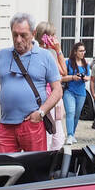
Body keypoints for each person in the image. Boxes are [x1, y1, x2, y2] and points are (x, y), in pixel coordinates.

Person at [0, 13, 61, 153]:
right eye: (15, 35)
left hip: (33, 124)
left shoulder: (45, 56)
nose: (18, 40)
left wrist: (41, 112)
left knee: (36, 168)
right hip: (6, 125)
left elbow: (57, 90)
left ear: (33, 33)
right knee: (3, 168)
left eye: (23, 35)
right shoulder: (1, 56)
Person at [34, 21, 68, 151]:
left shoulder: (47, 53)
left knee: (56, 135)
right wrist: (58, 50)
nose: (55, 39)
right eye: (53, 36)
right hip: (48, 99)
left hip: (53, 98)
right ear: (45, 37)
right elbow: (64, 71)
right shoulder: (45, 54)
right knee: (53, 136)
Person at [62, 42, 90, 145]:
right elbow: (61, 78)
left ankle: (72, 134)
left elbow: (88, 77)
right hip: (69, 91)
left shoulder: (85, 64)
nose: (83, 53)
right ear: (75, 52)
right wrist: (73, 77)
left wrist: (83, 78)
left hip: (81, 93)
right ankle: (69, 135)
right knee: (70, 112)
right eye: (81, 51)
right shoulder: (67, 63)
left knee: (77, 115)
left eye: (84, 51)